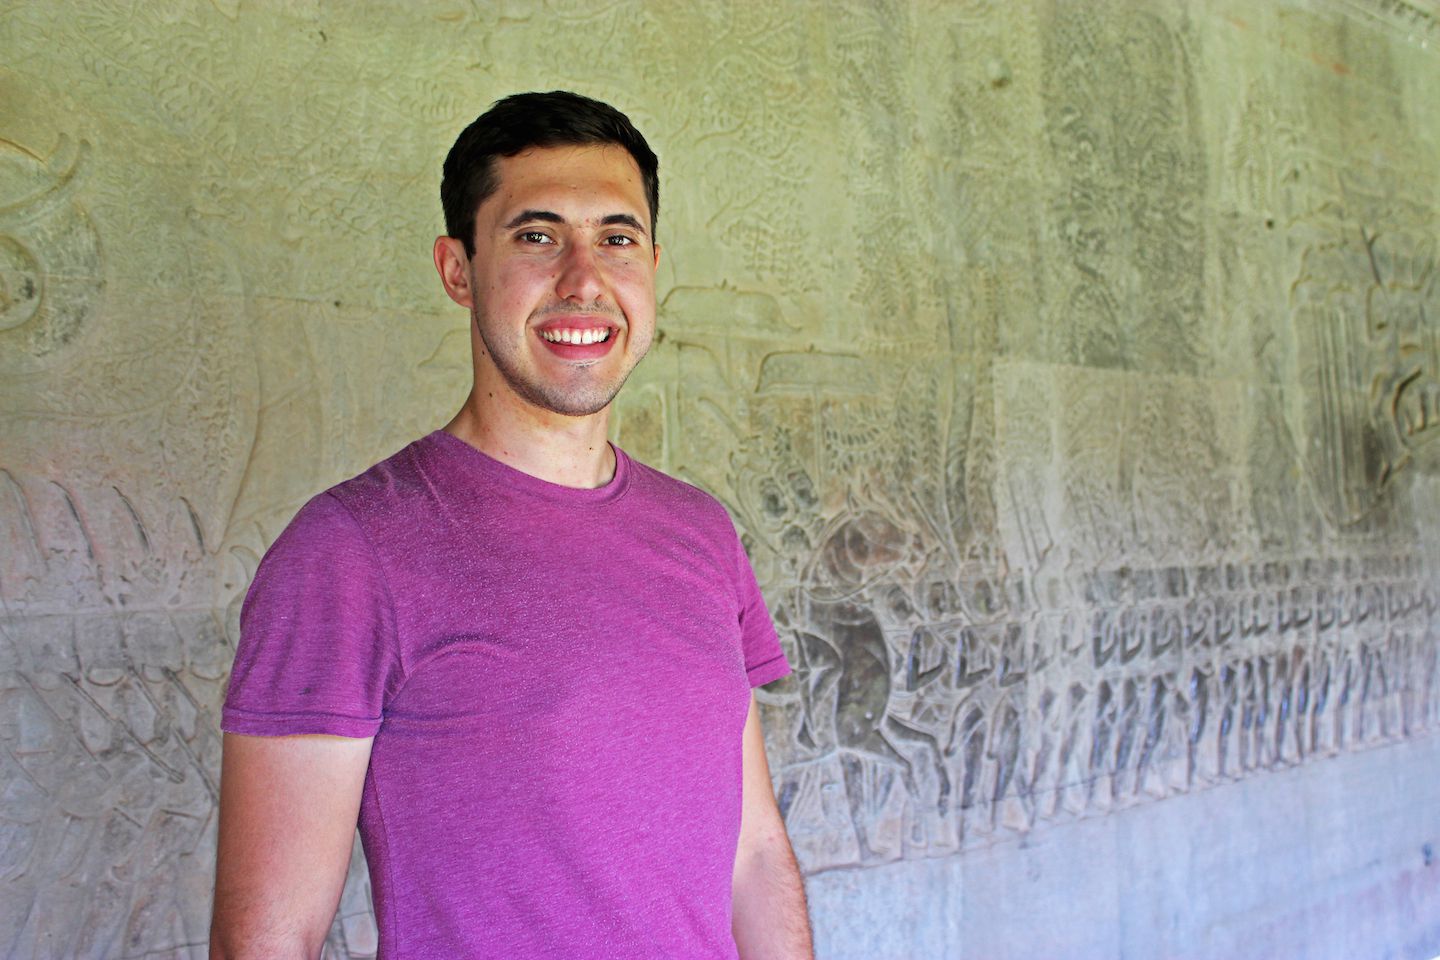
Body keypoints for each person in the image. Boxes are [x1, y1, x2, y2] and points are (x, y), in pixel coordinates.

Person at [209, 90, 814, 960]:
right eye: (537, 236)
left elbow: (753, 853)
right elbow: (266, 939)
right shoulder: (350, 552)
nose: (584, 280)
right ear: (458, 269)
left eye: (617, 238)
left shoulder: (703, 532)